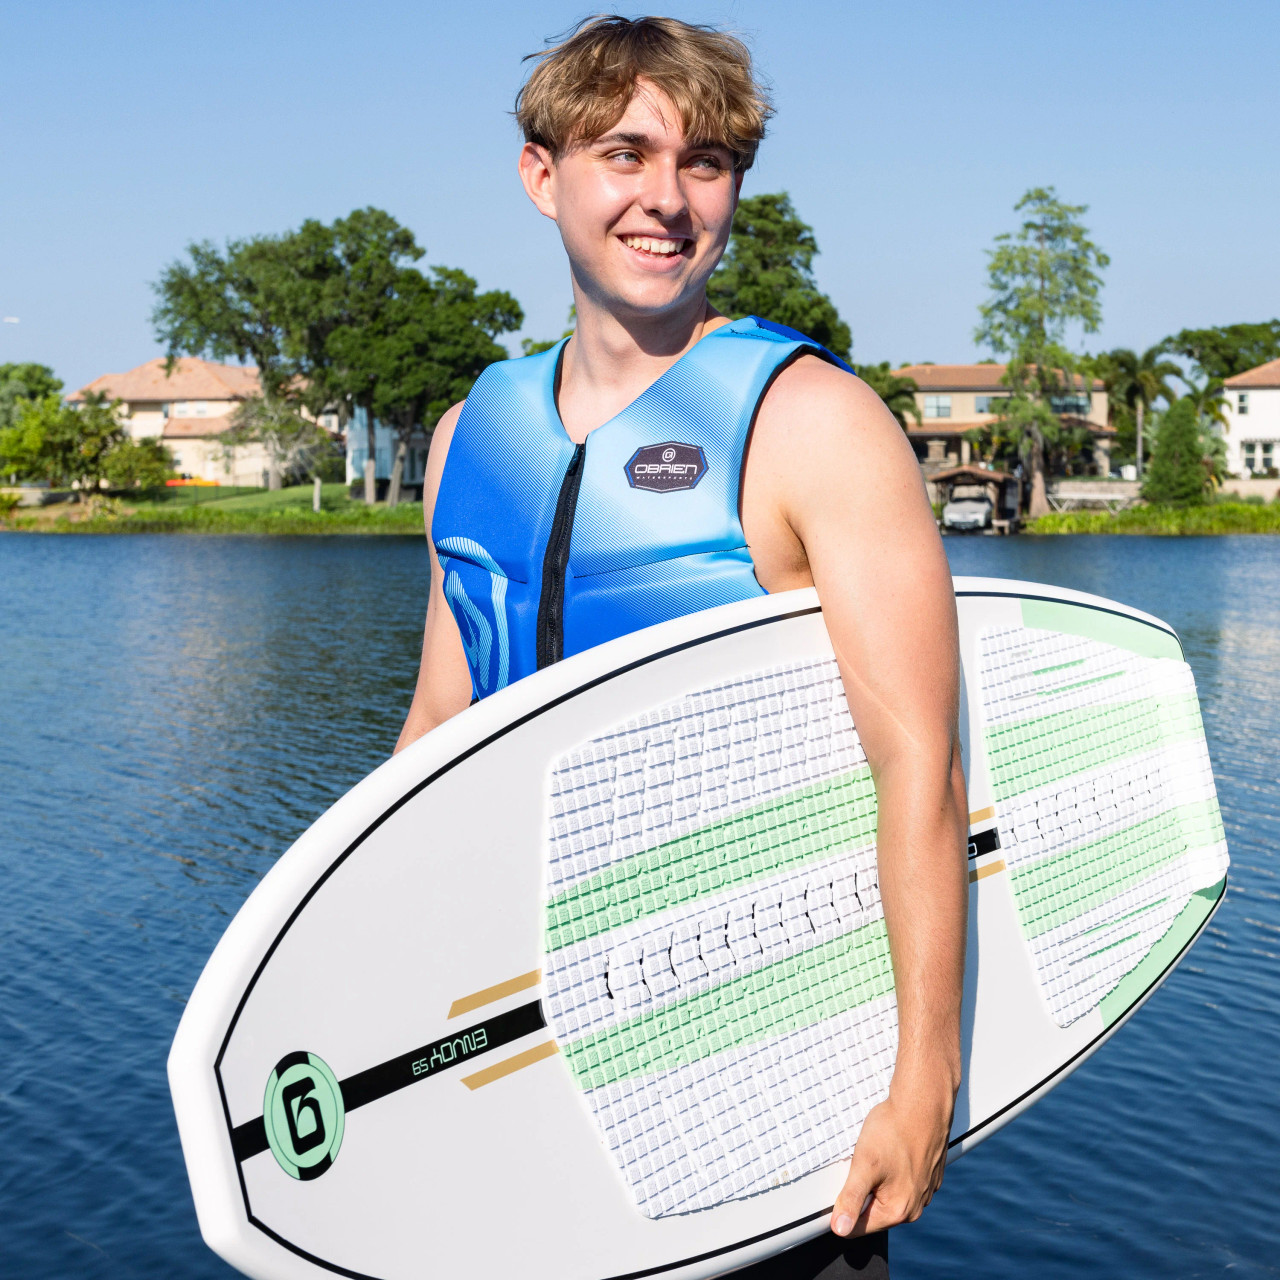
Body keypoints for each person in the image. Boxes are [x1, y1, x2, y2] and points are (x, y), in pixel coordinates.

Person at [396, 16, 967, 1278]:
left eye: (703, 163)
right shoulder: (466, 434)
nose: (664, 198)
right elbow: (435, 730)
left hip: (751, 1067)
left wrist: (922, 1082)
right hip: (517, 1053)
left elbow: (917, 765)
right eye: (624, 154)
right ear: (542, 176)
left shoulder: (810, 422)